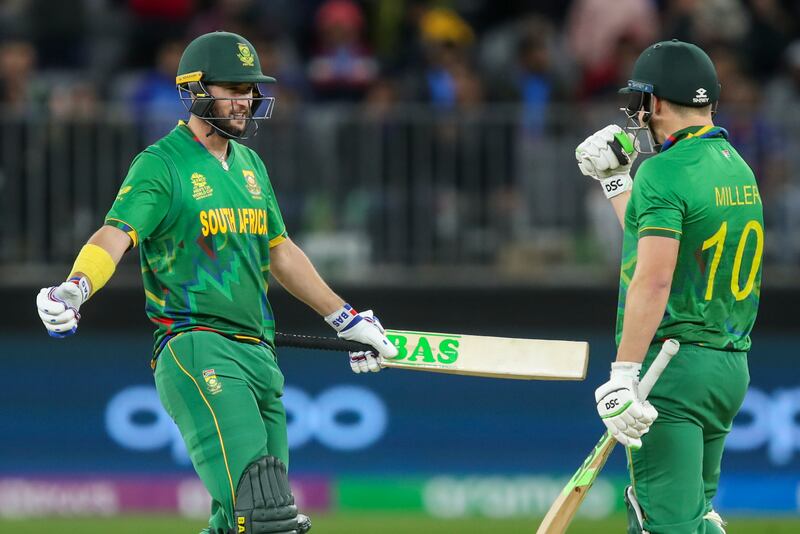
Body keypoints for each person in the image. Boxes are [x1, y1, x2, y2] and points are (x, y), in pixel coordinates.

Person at [36, 31, 397, 534]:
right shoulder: (161, 164)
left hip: (261, 356)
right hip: (198, 347)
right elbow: (115, 234)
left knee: (239, 521)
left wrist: (345, 318)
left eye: (250, 88)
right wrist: (76, 287)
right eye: (232, 87)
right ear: (196, 90)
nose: (246, 99)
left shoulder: (251, 166)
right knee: (267, 515)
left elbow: (281, 252)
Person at [575, 40, 763, 533]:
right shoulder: (735, 166)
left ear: (655, 103)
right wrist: (617, 182)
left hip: (671, 369)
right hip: (727, 367)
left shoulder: (662, 172)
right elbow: (662, 251)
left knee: (665, 525)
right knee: (693, 519)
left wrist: (624, 374)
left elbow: (654, 279)